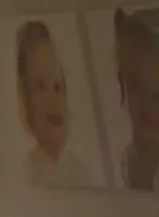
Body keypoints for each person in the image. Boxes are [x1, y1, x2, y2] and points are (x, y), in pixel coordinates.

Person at [16, 19, 98, 189]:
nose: (53, 98)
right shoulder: (27, 174)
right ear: (24, 100)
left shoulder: (81, 173)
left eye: (58, 87)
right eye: (40, 86)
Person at [112, 9, 159, 192]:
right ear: (123, 90)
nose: (147, 105)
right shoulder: (124, 160)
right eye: (137, 88)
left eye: (156, 97)